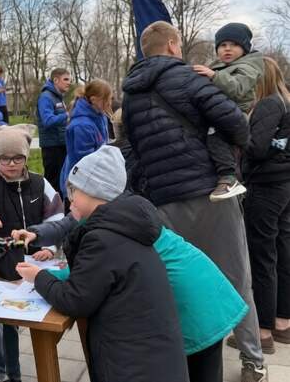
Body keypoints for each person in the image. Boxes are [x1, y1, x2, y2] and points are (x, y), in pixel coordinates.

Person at [121, 21, 266, 382]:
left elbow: (129, 148)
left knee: (176, 282)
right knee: (236, 277)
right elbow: (237, 123)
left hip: (162, 200)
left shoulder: (131, 93)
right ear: (173, 45)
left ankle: (182, 360)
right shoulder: (189, 77)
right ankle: (252, 360)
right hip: (210, 194)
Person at [15, 163, 249, 382]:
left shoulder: (110, 233)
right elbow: (75, 227)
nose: (70, 199)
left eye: (74, 191)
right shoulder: (122, 211)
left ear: (94, 191)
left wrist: (43, 276)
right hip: (204, 291)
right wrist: (38, 235)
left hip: (193, 305)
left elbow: (92, 275)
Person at [0, 123, 63, 382]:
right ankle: (8, 373)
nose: (11, 164)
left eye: (17, 158)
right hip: (5, 264)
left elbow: (56, 216)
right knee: (4, 320)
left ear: (26, 157)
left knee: (45, 317)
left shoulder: (40, 183)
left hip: (38, 261)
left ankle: (43, 364)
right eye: (4, 158)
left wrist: (49, 246)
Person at [240, 57, 290, 353]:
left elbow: (256, 147)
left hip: (265, 187)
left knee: (262, 256)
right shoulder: (286, 101)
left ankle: (263, 331)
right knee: (282, 252)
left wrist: (237, 136)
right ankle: (283, 322)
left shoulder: (268, 103)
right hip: (283, 185)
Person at [193, 22, 264, 201]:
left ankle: (229, 178)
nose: (227, 49)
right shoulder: (218, 66)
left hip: (235, 115)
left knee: (215, 137)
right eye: (223, 45)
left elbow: (237, 88)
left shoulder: (248, 67)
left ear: (244, 49)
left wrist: (214, 76)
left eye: (234, 45)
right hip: (218, 113)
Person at [59, 79, 111, 196]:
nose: (109, 103)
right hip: (79, 182)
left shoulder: (100, 115)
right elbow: (85, 160)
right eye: (106, 100)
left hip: (95, 176)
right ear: (93, 100)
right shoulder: (82, 126)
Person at [37, 68, 71, 195]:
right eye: (65, 79)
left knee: (61, 180)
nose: (69, 83)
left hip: (61, 144)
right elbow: (47, 120)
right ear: (56, 80)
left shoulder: (58, 97)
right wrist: (66, 116)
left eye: (69, 80)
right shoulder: (46, 97)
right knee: (53, 182)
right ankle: (50, 205)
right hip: (52, 147)